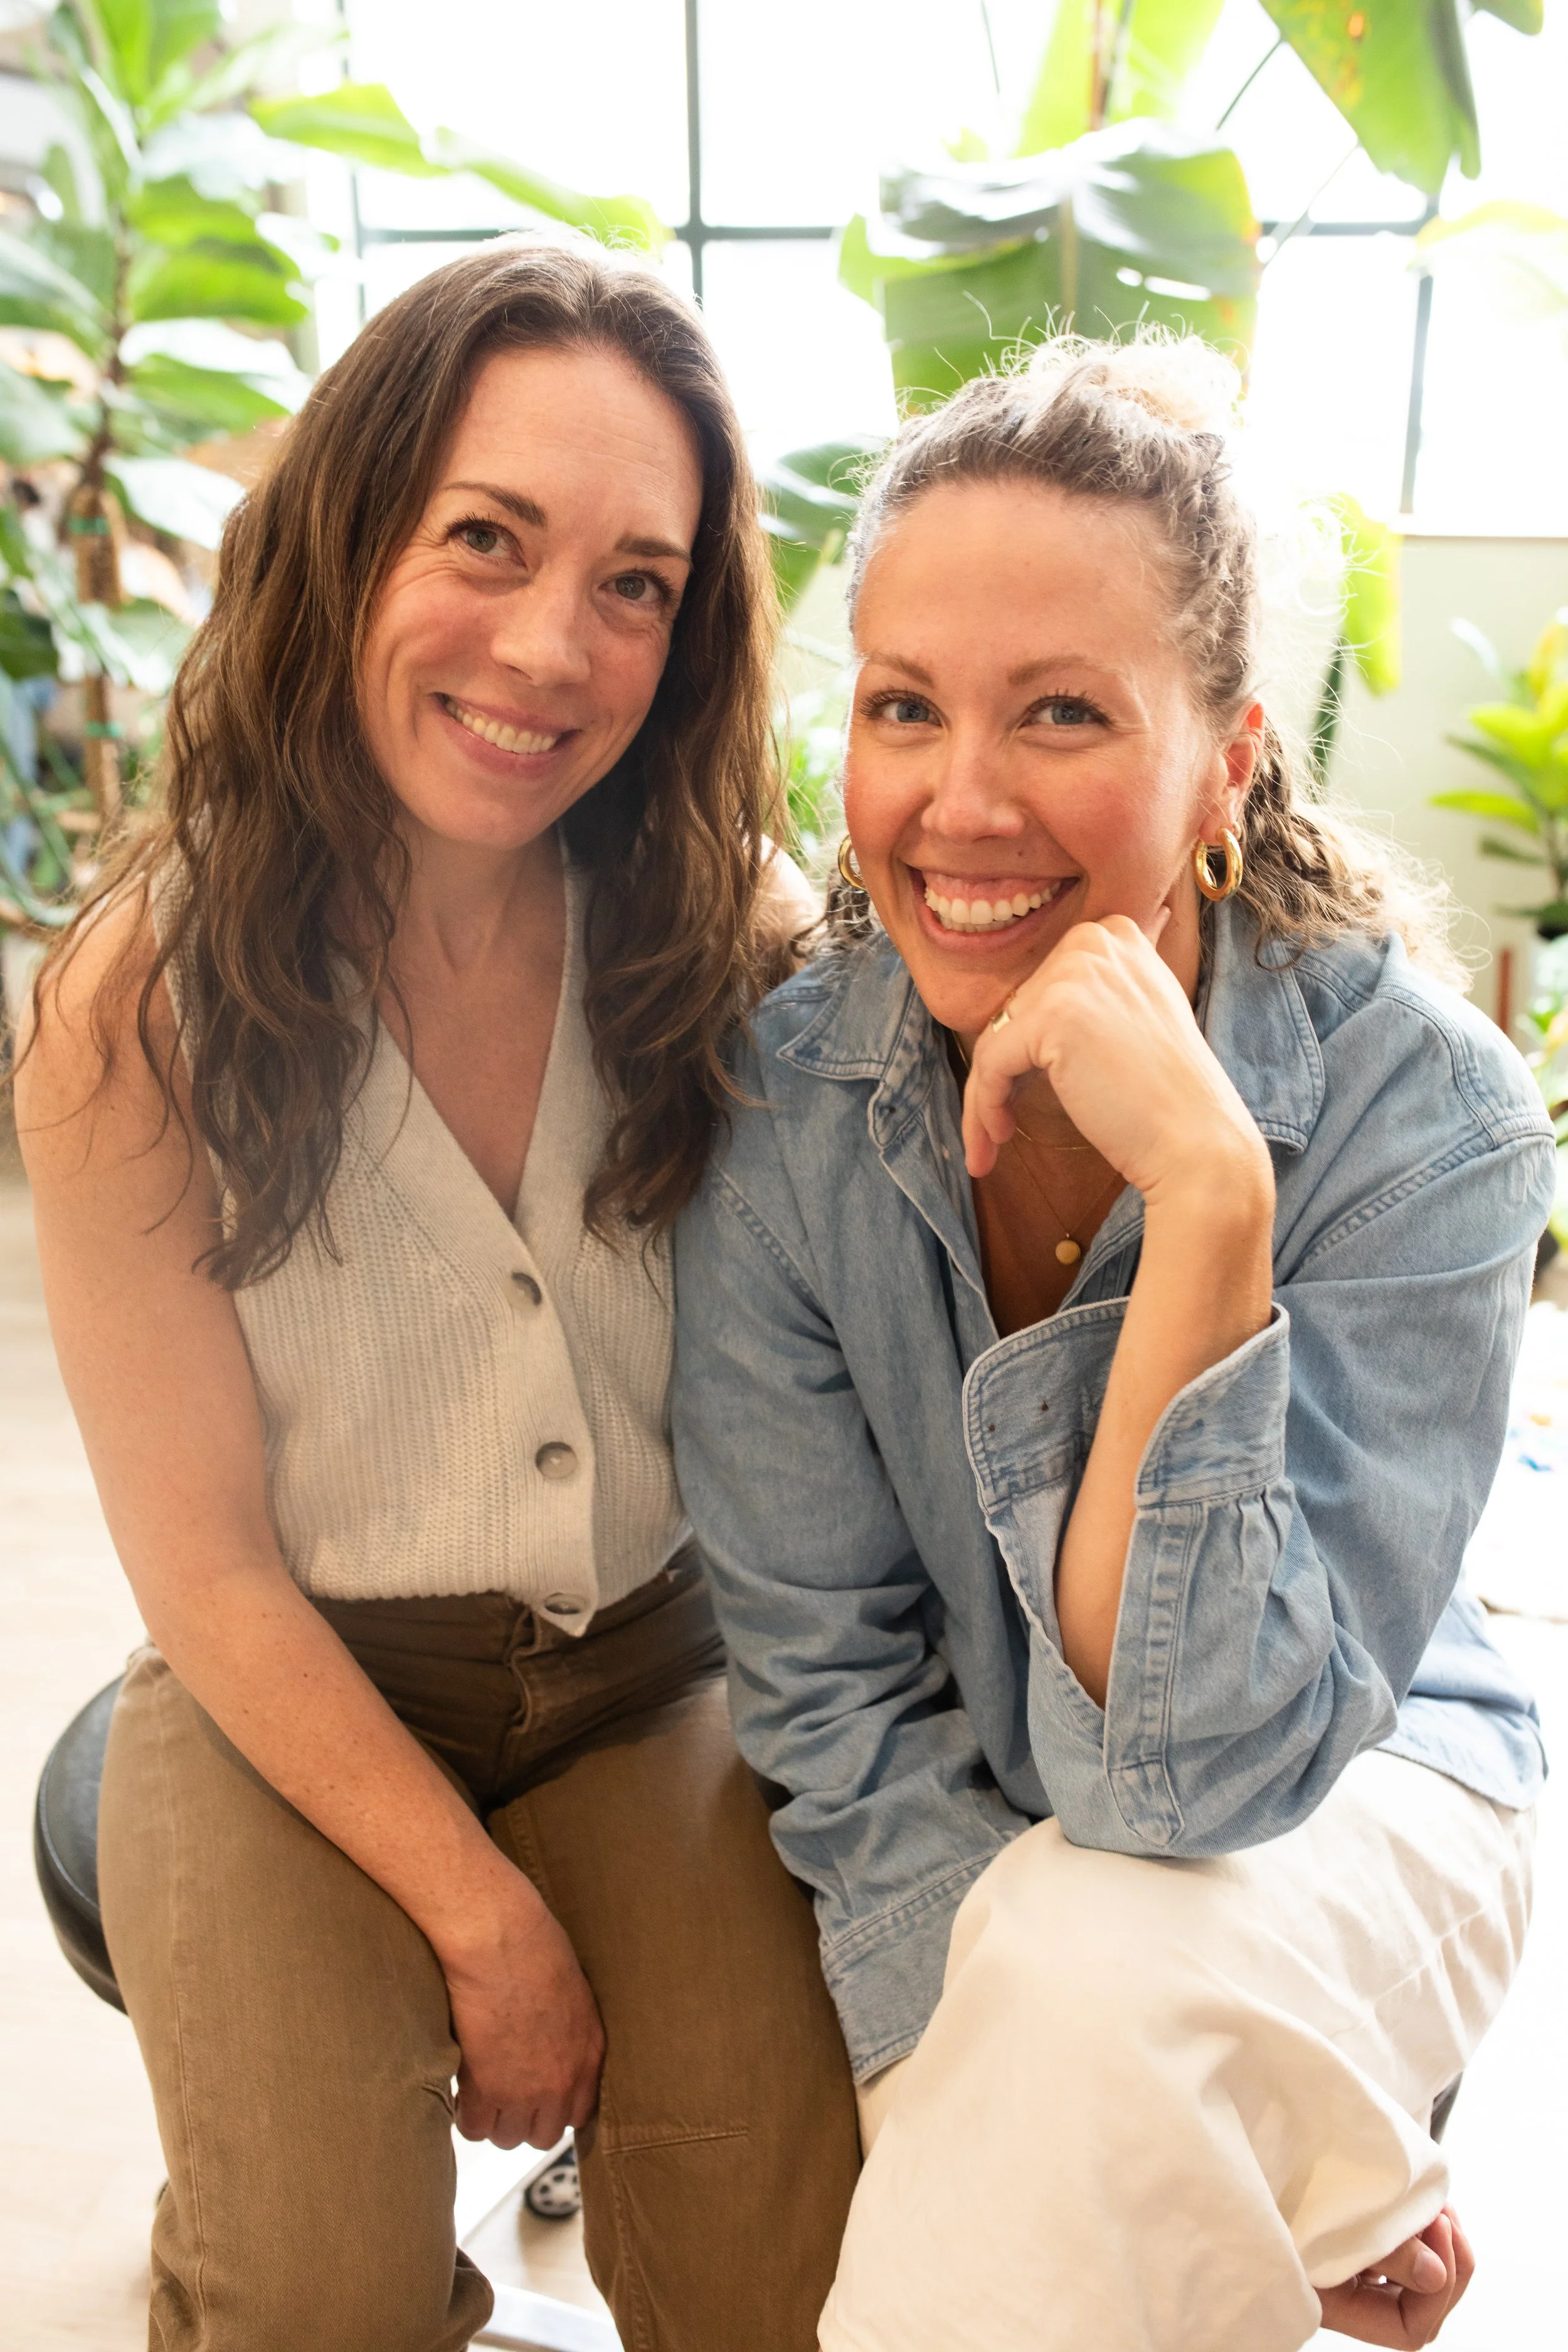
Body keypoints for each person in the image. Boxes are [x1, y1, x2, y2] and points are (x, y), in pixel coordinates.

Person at [15, 239, 859, 2352]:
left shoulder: (725, 929)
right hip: (291, 1685)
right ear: (343, 535)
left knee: (791, 2287)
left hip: (654, 1676)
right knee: (315, 2295)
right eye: (482, 538)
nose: (549, 646)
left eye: (635, 583)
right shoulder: (137, 1002)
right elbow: (203, 1573)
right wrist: (491, 1928)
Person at [672, 334, 1552, 2352]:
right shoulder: (784, 1104)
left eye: (1060, 711)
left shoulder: (1430, 1123)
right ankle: (1314, 2150)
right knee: (1077, 2018)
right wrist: (1025, 2100)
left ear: (1229, 760)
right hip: (1025, 1877)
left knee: (1088, 1976)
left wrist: (1210, 1215)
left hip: (1363, 1796)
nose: (957, 801)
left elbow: (1186, 1773)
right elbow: (828, 1703)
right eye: (903, 707)